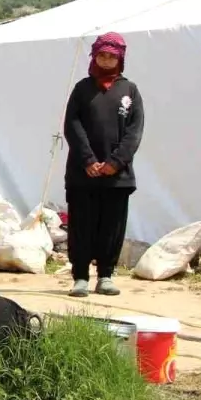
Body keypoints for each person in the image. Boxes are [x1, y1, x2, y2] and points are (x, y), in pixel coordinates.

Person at [64, 32, 145, 298]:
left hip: (116, 175)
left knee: (112, 226)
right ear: (94, 56)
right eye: (102, 55)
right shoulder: (82, 89)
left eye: (112, 56)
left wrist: (115, 162)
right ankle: (80, 277)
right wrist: (88, 160)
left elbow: (134, 131)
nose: (107, 60)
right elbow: (72, 125)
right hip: (82, 172)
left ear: (120, 58)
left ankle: (106, 275)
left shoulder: (129, 90)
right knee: (82, 224)